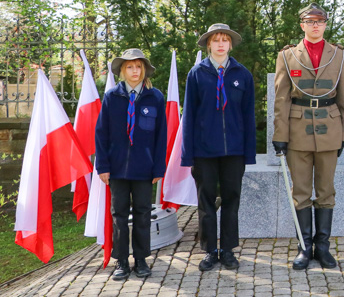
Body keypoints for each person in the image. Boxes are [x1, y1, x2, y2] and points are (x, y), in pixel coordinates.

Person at [272, 3, 344, 270]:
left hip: (330, 129)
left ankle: (324, 248)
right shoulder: (286, 56)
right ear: (302, 25)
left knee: (326, 191)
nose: (315, 25)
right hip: (297, 131)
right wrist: (280, 134)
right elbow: (282, 99)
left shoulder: (339, 56)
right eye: (310, 21)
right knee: (302, 191)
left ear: (326, 25)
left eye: (320, 21)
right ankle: (305, 248)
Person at [181, 23, 256, 271]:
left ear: (230, 44)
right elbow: (189, 116)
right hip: (204, 150)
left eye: (225, 39)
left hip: (234, 150)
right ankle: (210, 250)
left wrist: (249, 152)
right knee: (207, 201)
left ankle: (228, 249)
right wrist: (188, 153)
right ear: (208, 44)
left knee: (232, 199)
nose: (221, 44)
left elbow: (248, 116)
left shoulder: (242, 74)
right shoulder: (197, 74)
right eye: (216, 40)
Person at [95, 49, 167, 280]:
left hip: (144, 168)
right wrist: (103, 166)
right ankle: (122, 261)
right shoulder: (112, 97)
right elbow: (101, 133)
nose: (134, 71)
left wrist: (158, 167)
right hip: (117, 168)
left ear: (144, 69)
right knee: (119, 214)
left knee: (143, 213)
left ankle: (142, 259)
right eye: (129, 67)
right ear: (122, 71)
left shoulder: (155, 97)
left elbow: (160, 136)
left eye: (138, 66)